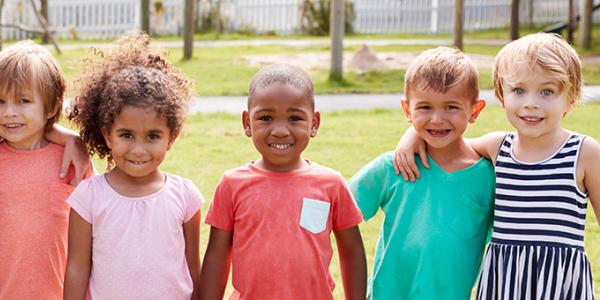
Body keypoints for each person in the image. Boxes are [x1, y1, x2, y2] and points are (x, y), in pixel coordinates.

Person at [394, 33, 600, 299]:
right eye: (518, 90)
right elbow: (448, 140)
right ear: (502, 96)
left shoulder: (584, 152)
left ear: (571, 98)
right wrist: (412, 133)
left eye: (547, 91)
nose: (531, 103)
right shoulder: (498, 147)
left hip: (559, 284)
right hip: (503, 282)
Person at [199, 63, 367, 300]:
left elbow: (352, 251)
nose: (279, 130)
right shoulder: (232, 184)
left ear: (314, 123)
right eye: (266, 118)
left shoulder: (331, 184)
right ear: (247, 123)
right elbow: (216, 256)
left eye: (294, 118)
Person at [63, 33, 203, 300]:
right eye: (126, 135)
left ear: (171, 138)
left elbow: (192, 268)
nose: (138, 150)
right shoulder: (88, 197)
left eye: (152, 136)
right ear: (107, 135)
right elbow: (77, 268)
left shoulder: (186, 197)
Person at [348, 47, 494, 299]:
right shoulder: (392, 167)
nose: (437, 119)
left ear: (474, 110)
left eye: (451, 107)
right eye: (425, 107)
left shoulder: (488, 178)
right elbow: (339, 209)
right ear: (407, 110)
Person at [0, 41, 77, 299]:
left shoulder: (71, 160)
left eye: (23, 101)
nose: (8, 112)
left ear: (52, 107)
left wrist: (72, 140)